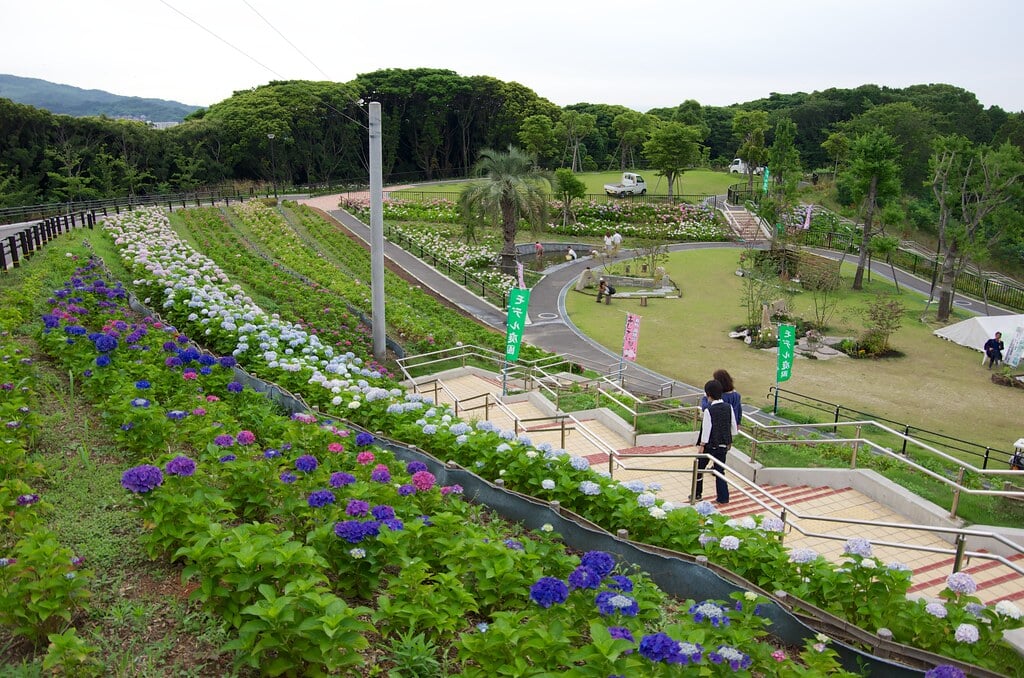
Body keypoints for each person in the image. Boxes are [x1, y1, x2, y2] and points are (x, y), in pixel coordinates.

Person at [695, 379, 738, 504]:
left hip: (710, 445)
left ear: (709, 394)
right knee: (720, 471)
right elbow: (733, 427)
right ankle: (723, 498)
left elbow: (706, 430)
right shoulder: (728, 407)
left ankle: (697, 494)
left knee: (699, 468)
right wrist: (729, 440)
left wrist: (702, 445)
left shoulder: (709, 410)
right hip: (723, 445)